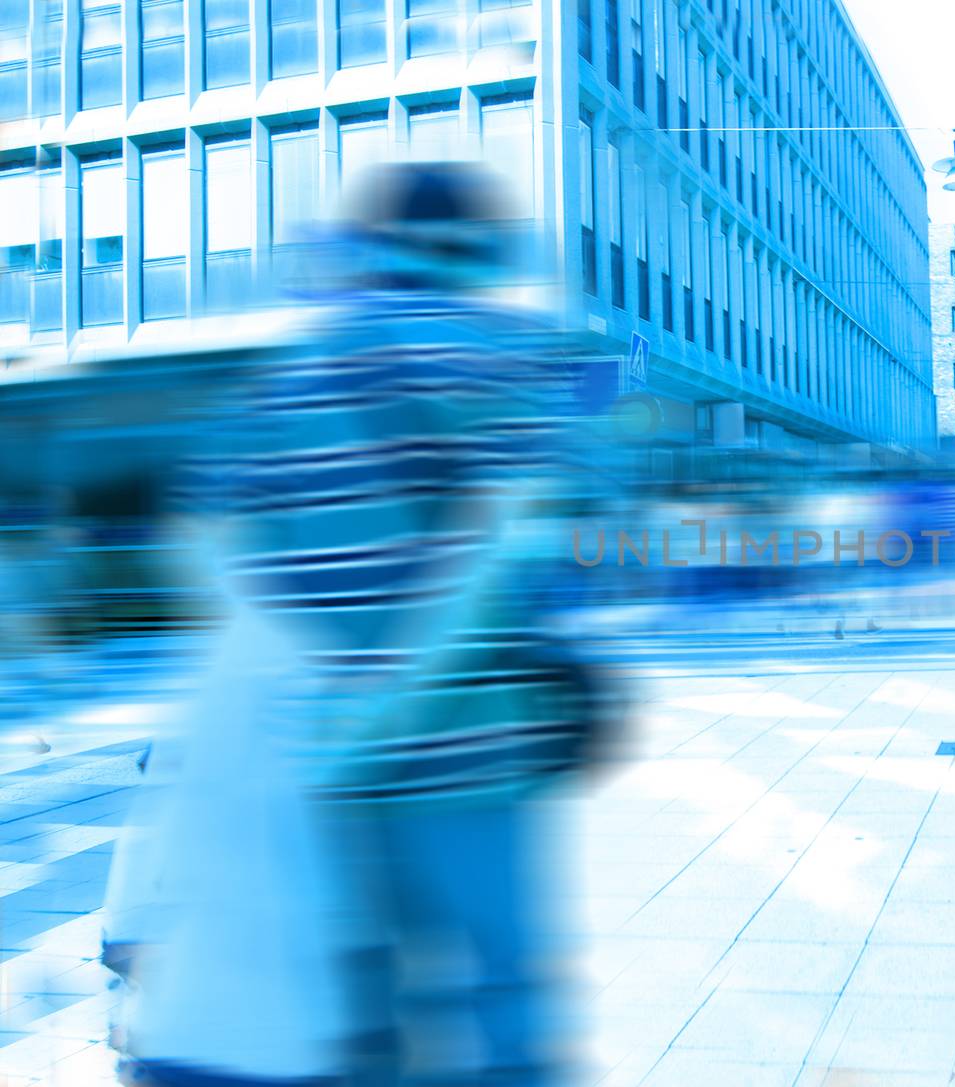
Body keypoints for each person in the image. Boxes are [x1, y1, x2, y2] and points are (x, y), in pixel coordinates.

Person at [111, 161, 600, 1086]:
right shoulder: (502, 352)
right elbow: (510, 546)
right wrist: (394, 694)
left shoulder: (300, 371)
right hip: (466, 754)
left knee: (363, 1005)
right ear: (480, 248)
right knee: (503, 999)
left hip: (320, 754)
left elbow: (204, 541)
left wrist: (319, 675)